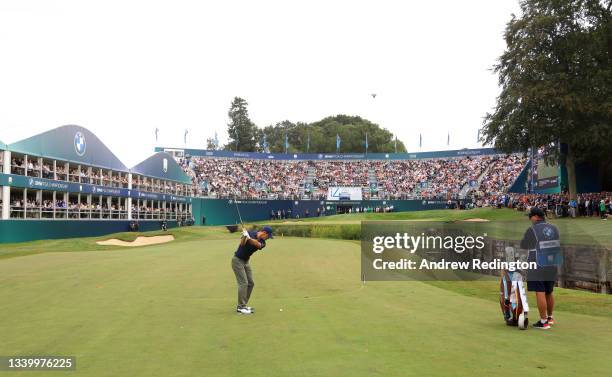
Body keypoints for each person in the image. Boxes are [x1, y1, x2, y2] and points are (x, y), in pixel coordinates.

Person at [520, 207, 560, 329]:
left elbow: (524, 245)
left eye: (530, 216)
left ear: (536, 216)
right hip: (552, 261)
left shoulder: (532, 229)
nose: (530, 219)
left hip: (537, 261)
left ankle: (543, 322)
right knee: (549, 291)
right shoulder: (554, 228)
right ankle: (550, 317)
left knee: (540, 291)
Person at [232, 225, 273, 314]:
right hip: (237, 261)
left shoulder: (262, 242)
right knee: (243, 283)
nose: (268, 238)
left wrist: (249, 238)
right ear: (264, 233)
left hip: (246, 262)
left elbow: (257, 244)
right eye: (268, 236)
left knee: (251, 283)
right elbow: (242, 244)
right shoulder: (251, 233)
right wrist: (244, 236)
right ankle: (240, 307)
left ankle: (244, 305)